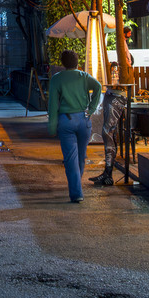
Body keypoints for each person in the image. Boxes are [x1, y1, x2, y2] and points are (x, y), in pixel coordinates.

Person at [46, 49, 101, 203]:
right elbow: (98, 86)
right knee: (81, 156)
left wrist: (52, 126)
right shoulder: (84, 76)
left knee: (71, 158)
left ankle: (76, 193)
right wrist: (91, 109)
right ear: (77, 62)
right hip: (84, 119)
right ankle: (77, 184)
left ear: (62, 63)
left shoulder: (57, 79)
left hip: (66, 121)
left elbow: (53, 105)